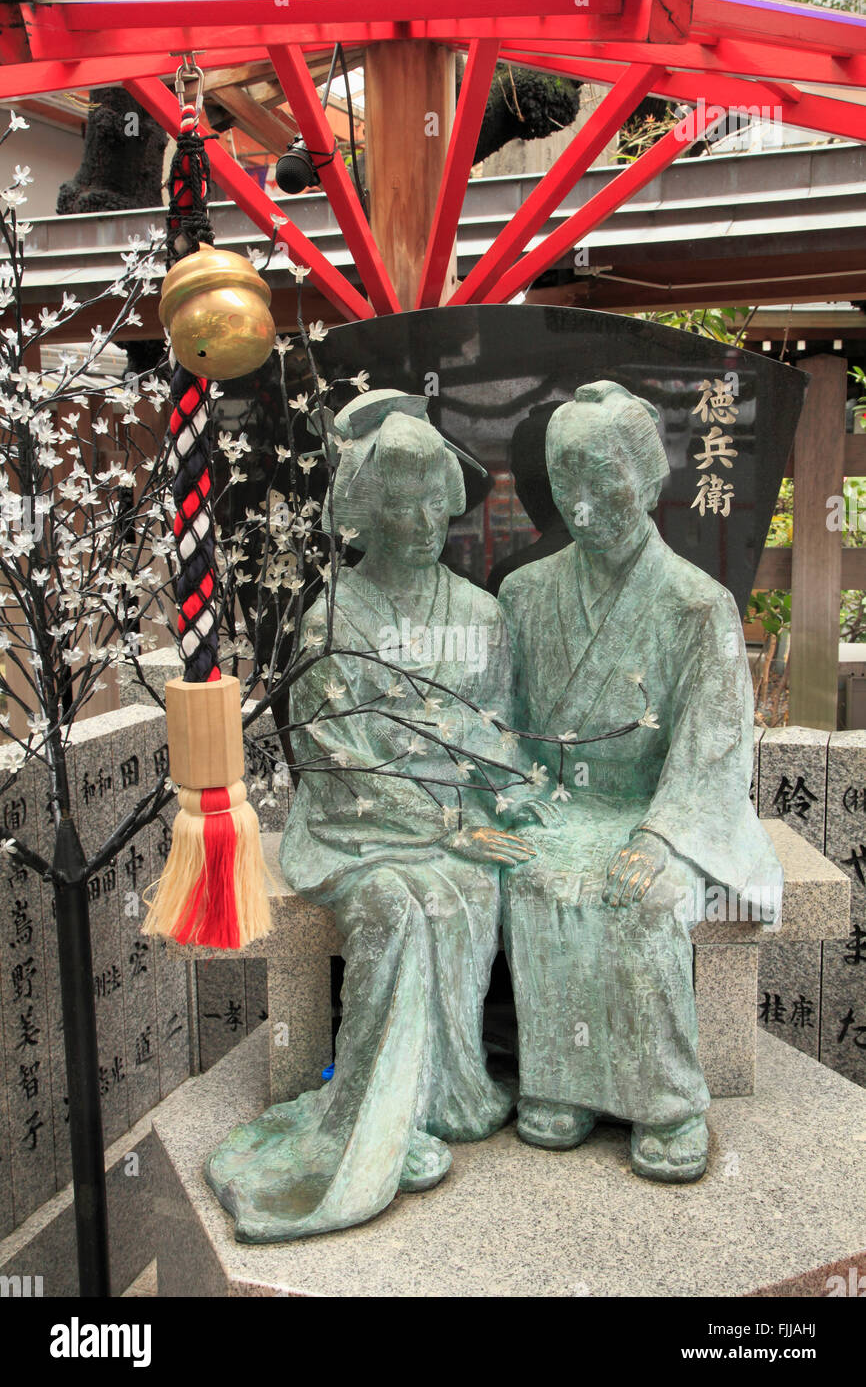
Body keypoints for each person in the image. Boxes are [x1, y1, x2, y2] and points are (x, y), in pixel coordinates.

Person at [206, 390, 537, 1241]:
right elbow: (335, 762)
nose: (424, 519)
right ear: (367, 511)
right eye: (401, 500)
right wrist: (437, 826)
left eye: (437, 499)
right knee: (397, 904)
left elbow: (499, 737)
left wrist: (503, 808)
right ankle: (375, 1115)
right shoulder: (331, 620)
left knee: (469, 891)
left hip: (460, 819)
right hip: (357, 826)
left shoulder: (482, 614)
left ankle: (448, 1090)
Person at [499, 380, 782, 1183]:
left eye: (604, 482)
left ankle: (666, 1102)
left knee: (646, 898)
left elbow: (714, 748)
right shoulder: (526, 595)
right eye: (567, 487)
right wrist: (525, 799)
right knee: (537, 880)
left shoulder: (698, 606)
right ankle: (559, 1085)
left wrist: (661, 834)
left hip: (661, 809)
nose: (583, 508)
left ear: (652, 479)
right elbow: (507, 725)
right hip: (564, 800)